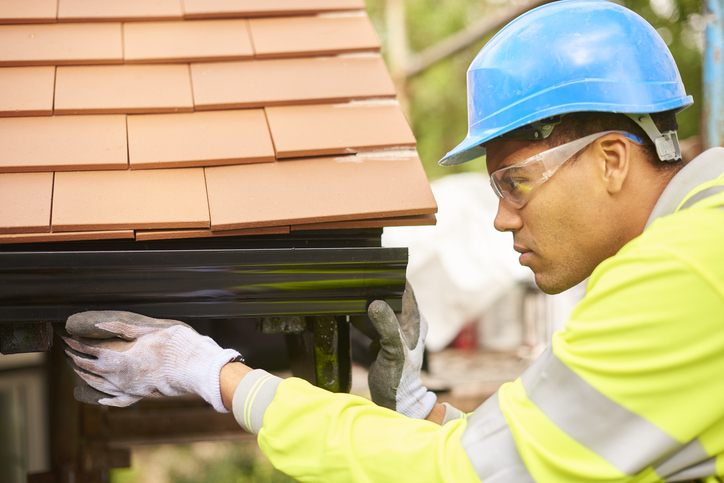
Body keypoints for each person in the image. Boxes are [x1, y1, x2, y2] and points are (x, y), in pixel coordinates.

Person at [62, 1, 724, 481]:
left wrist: (215, 373)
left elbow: (471, 475)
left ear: (611, 159)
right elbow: (528, 455)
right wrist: (419, 407)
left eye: (516, 182)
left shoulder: (682, 276)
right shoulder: (696, 248)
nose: (502, 218)